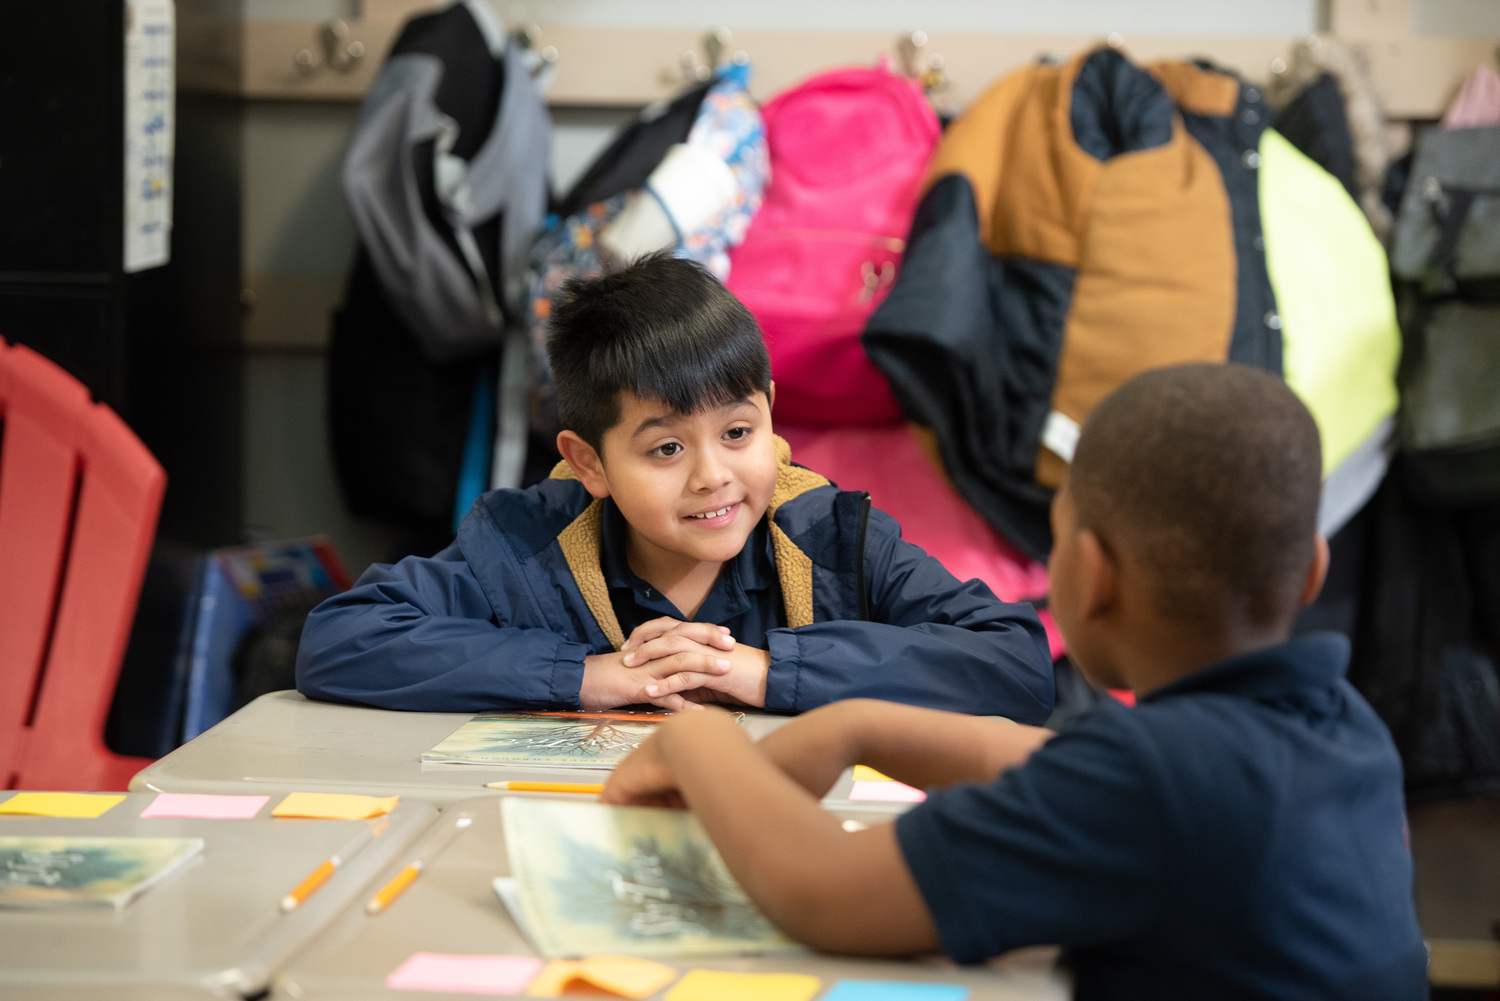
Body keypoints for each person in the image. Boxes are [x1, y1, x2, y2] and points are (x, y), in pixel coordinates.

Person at [602, 363, 1427, 1000]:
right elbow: (1050, 759)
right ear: (1311, 570)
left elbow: (823, 892)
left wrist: (699, 740)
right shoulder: (1339, 725)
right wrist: (859, 726)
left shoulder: (1156, 778)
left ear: (1092, 574)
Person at [296, 253, 1054, 718]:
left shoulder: (830, 534)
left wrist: (758, 669)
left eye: (737, 431)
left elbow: (1015, 661)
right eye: (665, 448)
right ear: (588, 462)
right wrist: (585, 676)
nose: (713, 475)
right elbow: (341, 640)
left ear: (771, 417)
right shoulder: (526, 543)